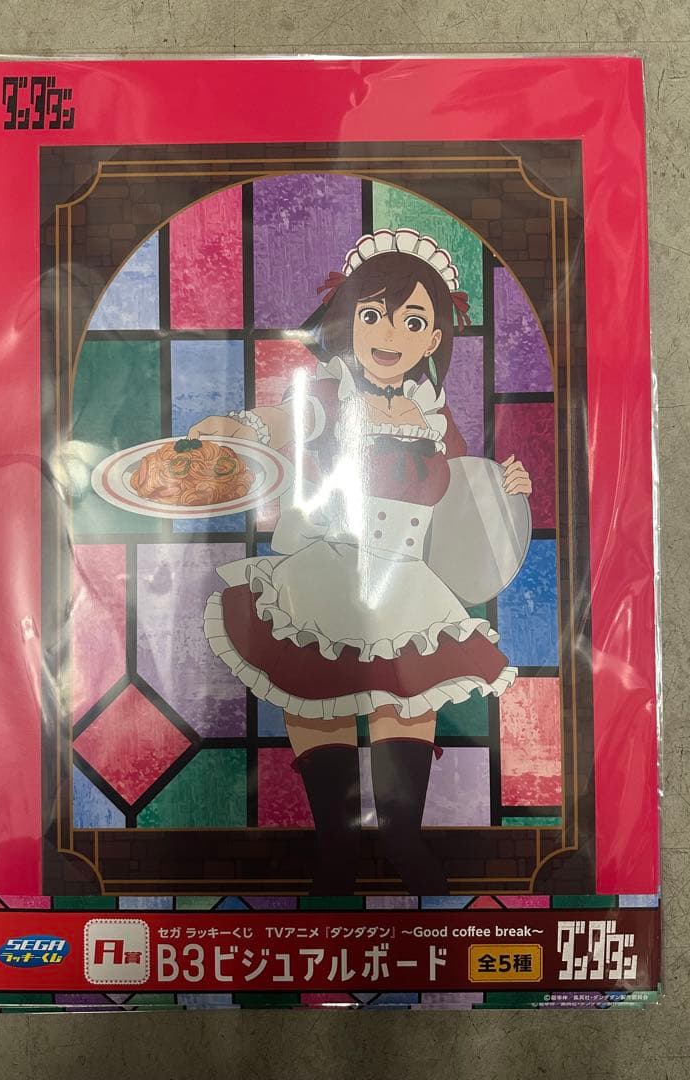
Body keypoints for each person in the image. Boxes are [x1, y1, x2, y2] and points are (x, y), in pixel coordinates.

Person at [192, 228, 532, 895]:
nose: (389, 333)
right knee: (316, 696)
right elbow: (287, 422)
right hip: (328, 572)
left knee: (406, 703)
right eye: (373, 314)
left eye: (413, 320)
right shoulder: (330, 393)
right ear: (349, 322)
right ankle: (336, 848)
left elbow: (463, 492)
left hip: (408, 580)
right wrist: (240, 428)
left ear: (434, 339)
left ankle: (404, 839)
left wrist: (504, 485)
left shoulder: (435, 417)